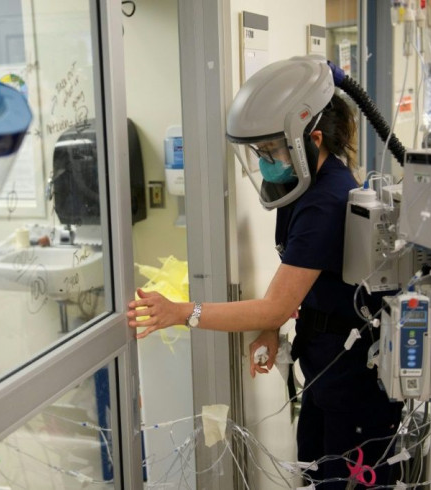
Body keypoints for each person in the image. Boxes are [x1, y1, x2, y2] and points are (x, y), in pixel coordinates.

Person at [126, 56, 402, 488]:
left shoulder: (328, 198)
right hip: (325, 367)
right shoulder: (301, 183)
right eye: (260, 152)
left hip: (356, 381)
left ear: (309, 138)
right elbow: (297, 279)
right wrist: (274, 329)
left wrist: (182, 312)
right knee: (313, 473)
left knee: (344, 481)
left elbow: (275, 304)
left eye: (271, 150)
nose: (266, 160)